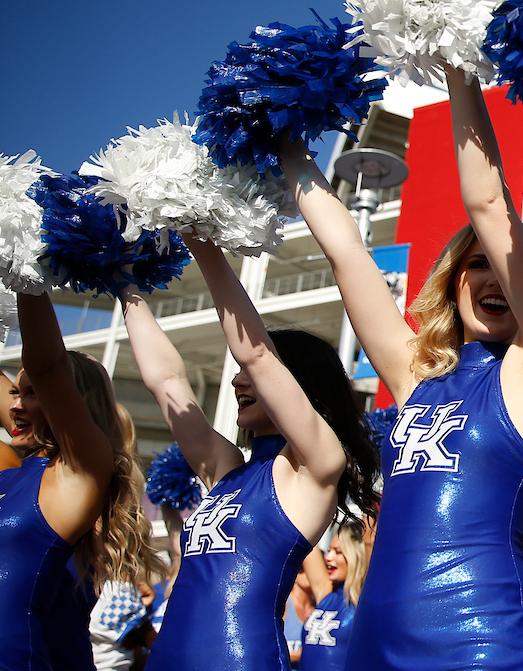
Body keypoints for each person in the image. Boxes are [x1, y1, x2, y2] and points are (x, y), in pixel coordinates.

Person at [281, 67, 523, 671]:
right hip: (372, 640)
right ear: (453, 281)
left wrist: (458, 70)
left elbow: (490, 206)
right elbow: (344, 252)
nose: (493, 279)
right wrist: (281, 138)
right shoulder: (416, 378)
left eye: (506, 268)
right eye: (475, 267)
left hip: (478, 643)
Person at [127, 235, 380, 671]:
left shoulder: (317, 466)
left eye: (249, 374)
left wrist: (200, 239)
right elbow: (166, 381)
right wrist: (123, 282)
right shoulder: (227, 469)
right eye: (238, 373)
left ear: (296, 385)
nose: (237, 382)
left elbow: (260, 356)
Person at [0, 294, 157, 671]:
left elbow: (46, 367)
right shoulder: (8, 475)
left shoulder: (76, 476)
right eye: (17, 392)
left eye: (32, 394)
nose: (15, 405)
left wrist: (26, 267)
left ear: (71, 401)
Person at [300, 520, 368, 671]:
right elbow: (303, 535)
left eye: (337, 552)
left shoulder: (364, 599)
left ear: (355, 554)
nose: (328, 557)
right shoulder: (326, 593)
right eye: (329, 550)